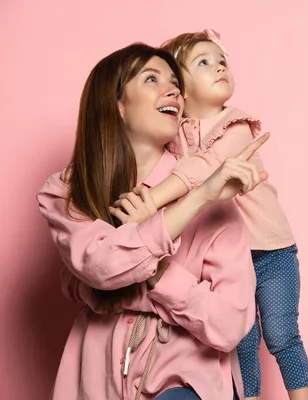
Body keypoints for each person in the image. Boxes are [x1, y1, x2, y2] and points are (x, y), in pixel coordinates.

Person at [37, 42, 269, 400]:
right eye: (151, 78)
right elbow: (100, 265)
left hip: (188, 385)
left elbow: (230, 324)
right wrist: (196, 199)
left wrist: (151, 275)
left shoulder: (218, 203)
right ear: (117, 105)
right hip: (94, 384)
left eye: (175, 81)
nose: (172, 89)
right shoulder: (67, 191)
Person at [126, 29, 308, 400]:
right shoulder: (174, 133)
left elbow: (204, 168)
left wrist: (154, 199)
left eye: (222, 61)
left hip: (270, 250)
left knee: (280, 333)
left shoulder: (237, 125)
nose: (219, 68)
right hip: (227, 258)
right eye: (204, 62)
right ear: (180, 86)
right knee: (239, 341)